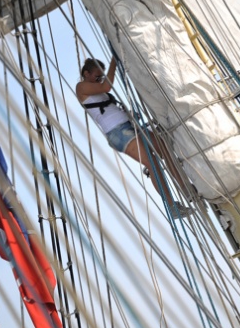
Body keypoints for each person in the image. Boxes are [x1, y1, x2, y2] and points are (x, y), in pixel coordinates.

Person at [77, 57, 191, 217]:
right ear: (86, 73)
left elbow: (106, 100)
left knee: (164, 148)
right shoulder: (81, 87)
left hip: (130, 127)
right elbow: (107, 86)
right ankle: (173, 208)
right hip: (118, 132)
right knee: (152, 163)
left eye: (101, 76)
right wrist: (114, 62)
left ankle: (186, 188)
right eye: (97, 75)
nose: (100, 79)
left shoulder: (98, 91)